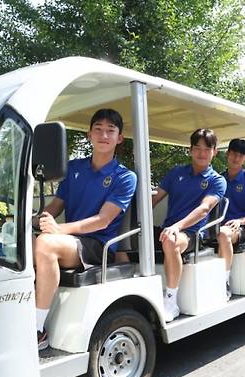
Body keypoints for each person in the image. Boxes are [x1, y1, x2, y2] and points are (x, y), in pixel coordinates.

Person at [33, 108, 137, 350]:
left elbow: (102, 220)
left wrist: (58, 230)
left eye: (110, 130)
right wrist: (33, 220)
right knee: (16, 246)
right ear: (89, 134)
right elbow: (56, 206)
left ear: (119, 138)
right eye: (98, 129)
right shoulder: (73, 168)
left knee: (46, 244)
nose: (103, 135)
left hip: (98, 246)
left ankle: (38, 329)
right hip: (70, 241)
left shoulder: (124, 177)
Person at [151, 128, 226, 322]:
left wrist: (177, 226)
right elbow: (155, 198)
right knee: (128, 239)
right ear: (190, 150)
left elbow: (203, 209)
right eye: (197, 148)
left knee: (170, 240)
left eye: (207, 149)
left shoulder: (217, 181)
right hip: (170, 228)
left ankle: (171, 301)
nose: (202, 153)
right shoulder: (176, 173)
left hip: (192, 233)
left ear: (214, 152)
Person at [217, 139, 245, 297]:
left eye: (241, 155)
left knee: (223, 233)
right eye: (234, 154)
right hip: (217, 225)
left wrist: (239, 221)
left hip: (242, 227)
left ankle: (224, 282)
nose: (236, 158)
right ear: (227, 154)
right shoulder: (218, 180)